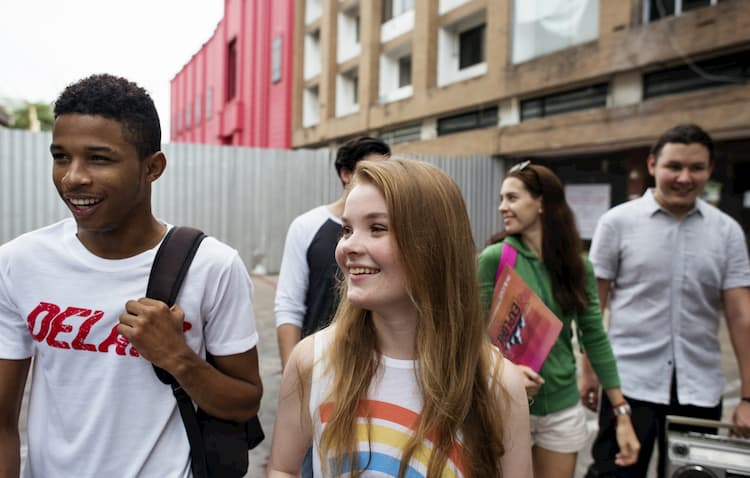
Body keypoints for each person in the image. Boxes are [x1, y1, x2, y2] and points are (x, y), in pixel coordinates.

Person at [0, 74, 263, 478]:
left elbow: (244, 402)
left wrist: (177, 357)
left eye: (99, 158)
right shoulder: (19, 262)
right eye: (61, 156)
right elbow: (2, 422)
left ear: (152, 167)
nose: (73, 177)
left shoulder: (212, 266)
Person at [268, 158, 533, 477]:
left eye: (377, 228)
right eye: (347, 229)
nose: (349, 245)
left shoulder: (499, 384)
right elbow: (283, 468)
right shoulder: (311, 361)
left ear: (433, 245)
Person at [582, 123, 750, 478]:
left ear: (709, 170)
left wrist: (748, 398)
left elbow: (740, 318)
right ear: (652, 165)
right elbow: (592, 306)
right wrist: (587, 371)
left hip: (699, 390)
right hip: (627, 385)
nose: (685, 177)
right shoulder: (617, 223)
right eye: (675, 166)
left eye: (697, 168)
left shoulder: (728, 232)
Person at [477, 162, 640, 478]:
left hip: (563, 408)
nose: (502, 207)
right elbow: (472, 336)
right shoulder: (495, 258)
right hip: (504, 404)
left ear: (541, 202)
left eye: (512, 198)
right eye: (501, 198)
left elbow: (594, 334)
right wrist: (503, 372)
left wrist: (620, 409)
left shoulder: (577, 265)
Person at [275, 136, 390, 371]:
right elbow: (289, 304)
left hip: (376, 365)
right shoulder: (307, 226)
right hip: (322, 363)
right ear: (346, 174)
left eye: (376, 229)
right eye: (370, 169)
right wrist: (293, 375)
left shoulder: (396, 227)